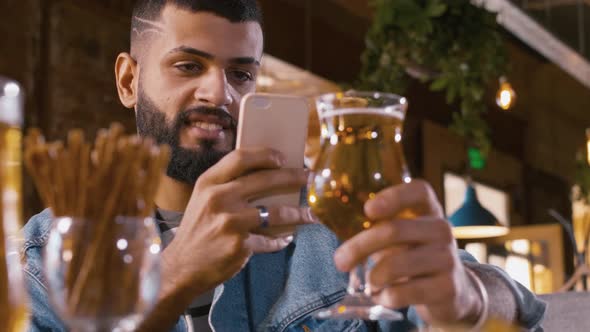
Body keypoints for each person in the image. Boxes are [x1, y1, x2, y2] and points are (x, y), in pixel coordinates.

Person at [22, 0, 546, 331]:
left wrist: (470, 299)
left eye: (241, 73)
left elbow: (518, 311)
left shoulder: (329, 226)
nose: (218, 92)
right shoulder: (46, 258)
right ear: (129, 81)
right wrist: (171, 279)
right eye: (188, 66)